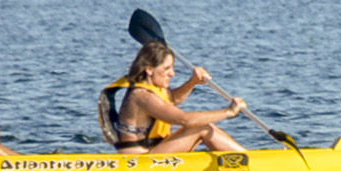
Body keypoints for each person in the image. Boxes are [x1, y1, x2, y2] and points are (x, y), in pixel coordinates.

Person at [102, 38, 247, 154]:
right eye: (167, 68)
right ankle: (249, 160)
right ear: (149, 69)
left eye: (172, 67)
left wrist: (192, 82)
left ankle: (246, 157)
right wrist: (229, 112)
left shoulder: (149, 90)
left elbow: (171, 99)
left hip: (152, 153)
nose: (172, 73)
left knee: (203, 126)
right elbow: (185, 120)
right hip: (141, 161)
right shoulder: (142, 96)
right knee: (202, 127)